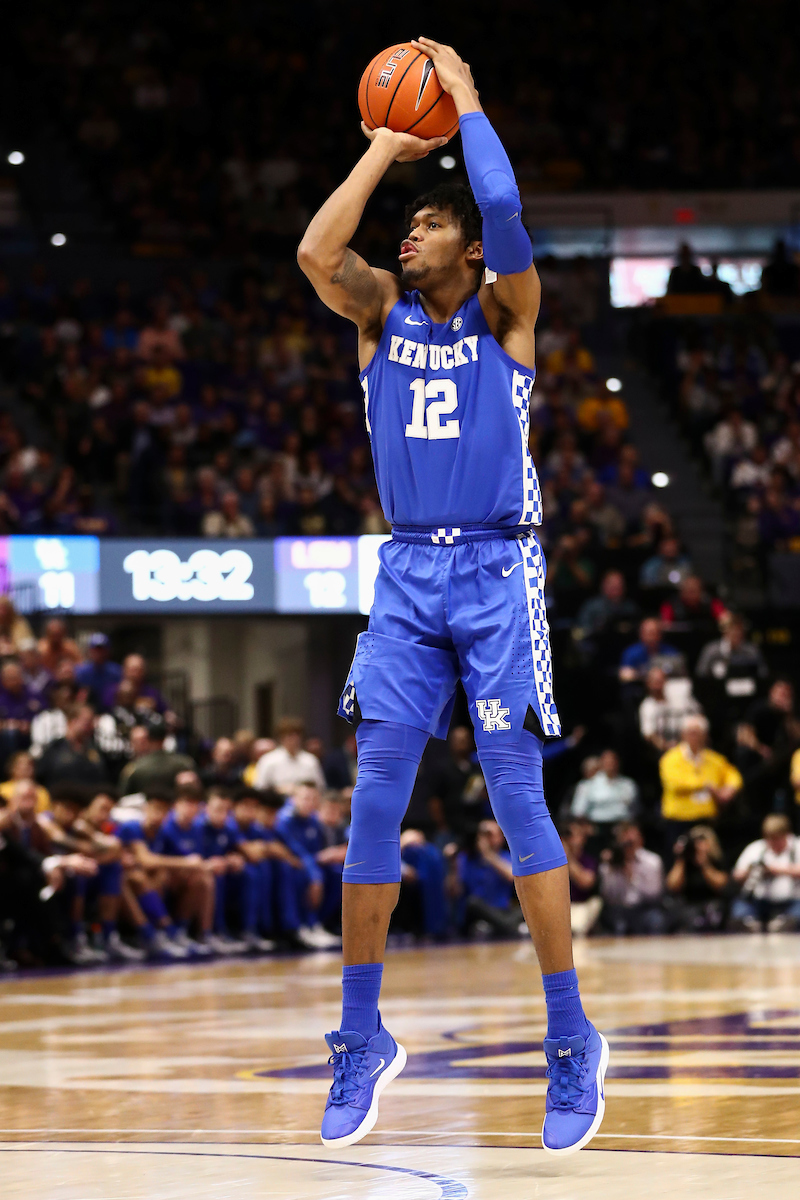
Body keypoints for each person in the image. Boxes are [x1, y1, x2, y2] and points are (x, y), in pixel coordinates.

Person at [298, 37, 606, 1154]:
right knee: (373, 796)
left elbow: (507, 206)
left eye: (428, 225)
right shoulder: (377, 312)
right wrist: (384, 147)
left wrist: (464, 99)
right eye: (408, 226)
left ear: (469, 250)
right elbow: (311, 247)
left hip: (493, 565)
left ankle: (568, 1037)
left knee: (514, 797)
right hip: (406, 571)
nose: (406, 235)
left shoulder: (507, 315)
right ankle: (359, 1035)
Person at [658, 714, 743, 849]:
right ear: (683, 734)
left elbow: (734, 775)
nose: (694, 737)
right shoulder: (670, 759)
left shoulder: (714, 759)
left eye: (698, 733)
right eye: (691, 732)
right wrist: (707, 786)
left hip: (706, 819)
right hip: (679, 820)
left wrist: (729, 789)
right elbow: (675, 783)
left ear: (705, 735)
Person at [730, 814, 800, 932]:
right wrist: (750, 871)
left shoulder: (797, 846)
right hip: (760, 901)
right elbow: (737, 875)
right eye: (769, 838)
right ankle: (750, 923)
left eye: (776, 838)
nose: (772, 842)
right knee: (740, 907)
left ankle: (787, 922)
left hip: (792, 901)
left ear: (786, 835)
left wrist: (777, 870)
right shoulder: (756, 848)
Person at [598, 822, 666, 934]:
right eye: (625, 843)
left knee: (656, 921)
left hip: (645, 908)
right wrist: (613, 870)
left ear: (640, 840)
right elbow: (607, 895)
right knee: (615, 924)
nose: (628, 847)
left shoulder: (652, 861)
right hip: (619, 909)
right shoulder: (610, 863)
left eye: (631, 843)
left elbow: (654, 893)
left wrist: (633, 878)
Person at [665, 824, 729, 931]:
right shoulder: (685, 863)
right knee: (690, 918)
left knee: (714, 915)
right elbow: (672, 886)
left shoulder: (716, 861)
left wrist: (704, 864)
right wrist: (681, 858)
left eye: (701, 841)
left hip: (712, 904)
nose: (697, 845)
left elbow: (722, 885)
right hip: (689, 905)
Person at [570, 750, 638, 843]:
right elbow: (577, 811)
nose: (610, 765)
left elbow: (634, 810)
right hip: (595, 830)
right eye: (607, 761)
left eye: (612, 761)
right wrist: (586, 827)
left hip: (621, 829)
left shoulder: (628, 785)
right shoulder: (587, 785)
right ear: (601, 763)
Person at [253, 717, 325, 795]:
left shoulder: (310, 761)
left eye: (297, 735)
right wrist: (278, 789)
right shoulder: (268, 760)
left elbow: (320, 788)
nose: (294, 740)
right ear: (281, 738)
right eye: (290, 736)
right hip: (277, 803)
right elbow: (259, 788)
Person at [561, 819, 602, 937]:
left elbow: (586, 882)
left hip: (582, 906)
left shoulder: (588, 860)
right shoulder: (553, 861)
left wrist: (567, 858)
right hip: (562, 906)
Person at [74, 632, 122, 711]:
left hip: (111, 711)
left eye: (102, 649)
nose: (99, 653)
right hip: (87, 711)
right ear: (90, 650)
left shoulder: (116, 671)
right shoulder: (81, 672)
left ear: (108, 651)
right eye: (96, 649)